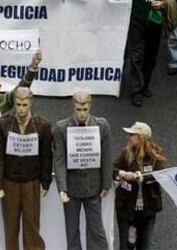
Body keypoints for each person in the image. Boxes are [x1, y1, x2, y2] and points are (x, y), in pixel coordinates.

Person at [0, 87, 53, 250]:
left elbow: (47, 157)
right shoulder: (2, 124)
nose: (21, 109)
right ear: (14, 103)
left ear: (31, 102)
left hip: (31, 183)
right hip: (9, 182)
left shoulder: (43, 125)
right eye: (18, 105)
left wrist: (45, 182)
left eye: (24, 105)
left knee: (31, 227)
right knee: (10, 227)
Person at [53, 90, 112, 250]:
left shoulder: (102, 125)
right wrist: (62, 188)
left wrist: (106, 183)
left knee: (96, 229)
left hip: (94, 186)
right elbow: (59, 159)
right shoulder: (61, 127)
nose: (81, 113)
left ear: (90, 105)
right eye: (78, 109)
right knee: (72, 230)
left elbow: (107, 156)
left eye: (85, 109)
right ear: (73, 106)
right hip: (71, 188)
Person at [126, 0, 175, 107]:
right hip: (137, 20)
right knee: (136, 56)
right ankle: (136, 91)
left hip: (155, 24)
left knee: (150, 58)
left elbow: (172, 1)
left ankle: (145, 84)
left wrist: (163, 3)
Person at [114, 122, 166, 250]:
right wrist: (121, 173)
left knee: (144, 246)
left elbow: (160, 174)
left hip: (147, 210)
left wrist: (139, 176)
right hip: (126, 208)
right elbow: (112, 168)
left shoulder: (155, 156)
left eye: (132, 134)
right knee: (125, 246)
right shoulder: (126, 153)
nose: (128, 137)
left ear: (141, 137)